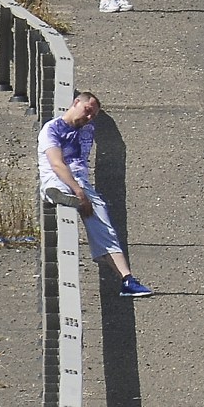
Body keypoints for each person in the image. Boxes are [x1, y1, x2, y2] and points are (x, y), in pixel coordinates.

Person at [38, 92, 152, 298]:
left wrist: (82, 190)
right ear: (75, 103)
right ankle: (57, 195)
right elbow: (57, 163)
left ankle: (127, 280)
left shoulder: (87, 128)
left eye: (93, 115)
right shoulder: (52, 128)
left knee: (105, 227)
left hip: (81, 182)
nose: (89, 117)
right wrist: (78, 191)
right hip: (58, 177)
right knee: (58, 187)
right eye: (87, 111)